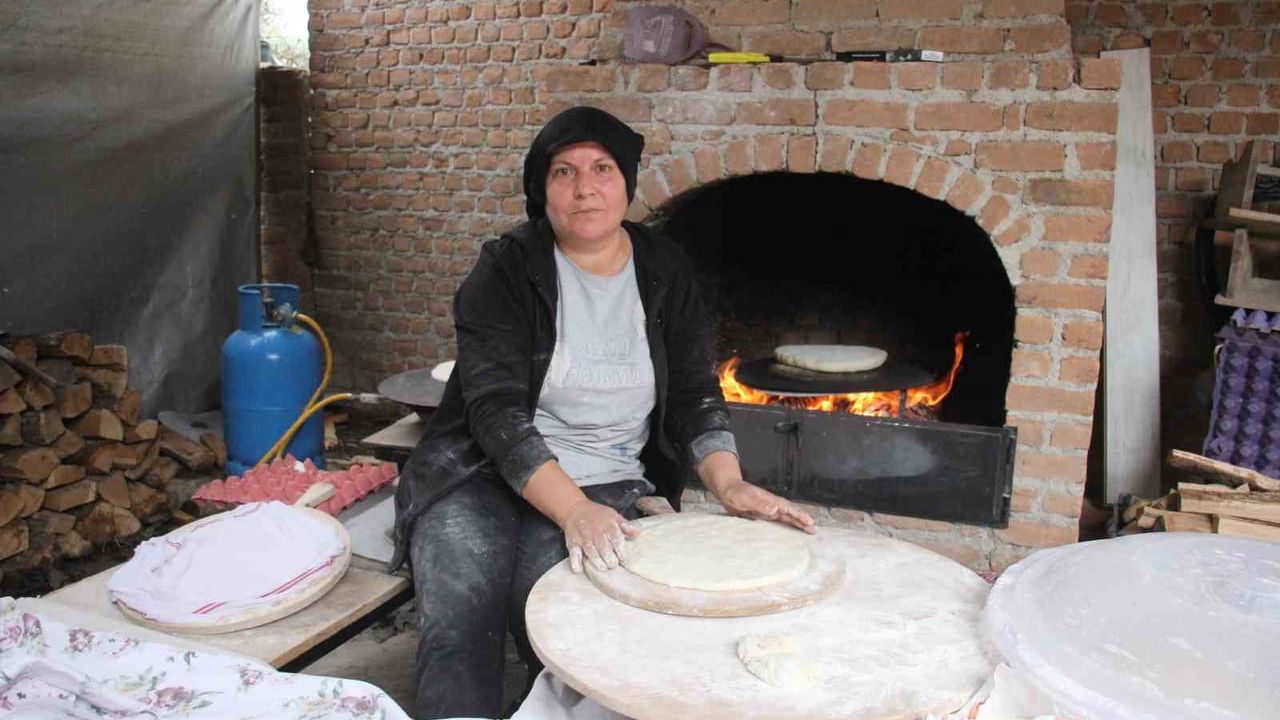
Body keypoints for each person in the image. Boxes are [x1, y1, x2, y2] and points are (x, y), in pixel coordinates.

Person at [390, 106, 815, 720]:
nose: (584, 187)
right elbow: (496, 415)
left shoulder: (665, 272)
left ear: (627, 181)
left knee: (561, 630)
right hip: (476, 475)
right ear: (542, 189)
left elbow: (696, 391)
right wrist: (573, 512)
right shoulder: (506, 270)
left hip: (606, 478)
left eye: (601, 168)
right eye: (563, 172)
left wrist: (729, 482)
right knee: (461, 622)